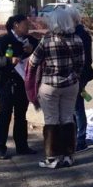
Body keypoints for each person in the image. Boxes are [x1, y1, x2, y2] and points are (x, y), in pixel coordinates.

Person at [28, 9, 84, 169]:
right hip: (71, 84)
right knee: (67, 118)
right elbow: (81, 64)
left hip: (50, 85)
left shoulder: (47, 40)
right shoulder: (77, 39)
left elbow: (33, 61)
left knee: (51, 120)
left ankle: (52, 157)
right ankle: (68, 155)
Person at [0, 15, 39, 159]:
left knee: (21, 115)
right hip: (6, 85)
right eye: (25, 24)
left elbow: (44, 55)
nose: (29, 26)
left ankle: (22, 146)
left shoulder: (31, 41)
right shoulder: (3, 41)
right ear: (16, 25)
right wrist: (8, 61)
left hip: (23, 84)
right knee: (5, 115)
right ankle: (0, 147)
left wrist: (32, 50)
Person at [67, 8, 93, 152]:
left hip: (79, 75)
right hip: (76, 74)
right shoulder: (76, 33)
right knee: (74, 107)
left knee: (77, 107)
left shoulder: (80, 34)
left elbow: (84, 59)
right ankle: (76, 136)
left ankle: (80, 138)